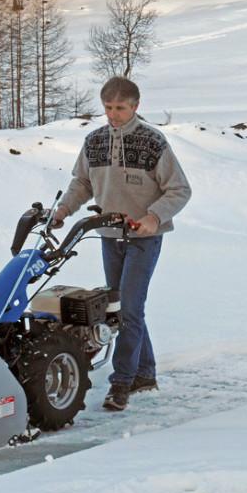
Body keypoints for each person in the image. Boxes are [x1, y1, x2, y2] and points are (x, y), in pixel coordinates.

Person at [53, 76, 192, 411]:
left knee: (129, 310)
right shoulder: (95, 141)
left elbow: (179, 190)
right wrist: (63, 210)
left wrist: (153, 217)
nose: (113, 115)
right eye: (108, 108)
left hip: (143, 238)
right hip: (109, 236)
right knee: (120, 311)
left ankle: (122, 384)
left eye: (121, 108)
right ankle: (145, 373)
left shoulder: (152, 142)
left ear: (135, 107)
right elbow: (83, 182)